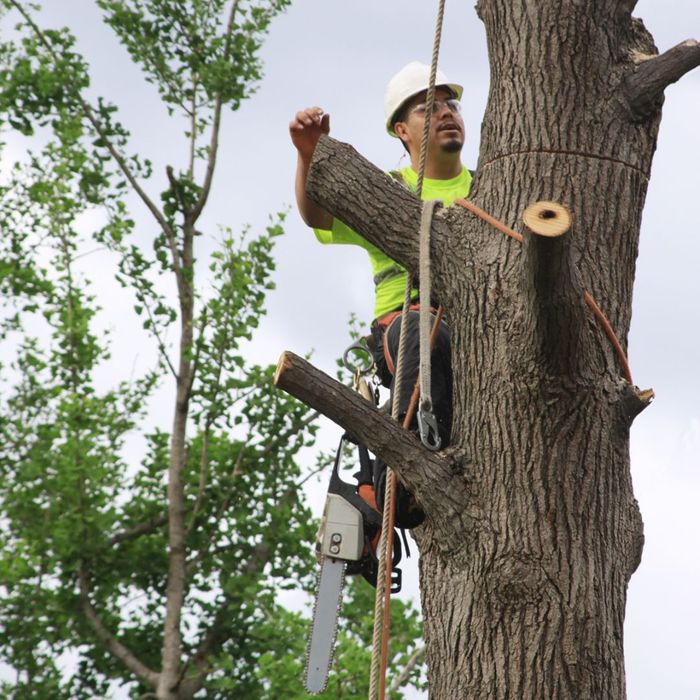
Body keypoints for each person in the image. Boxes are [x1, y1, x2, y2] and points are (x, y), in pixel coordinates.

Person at [290, 61, 472, 505]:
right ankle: (414, 469)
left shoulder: (490, 190)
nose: (447, 112)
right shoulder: (389, 191)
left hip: (478, 334)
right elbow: (318, 214)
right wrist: (308, 156)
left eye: (451, 105)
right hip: (409, 328)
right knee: (423, 332)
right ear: (401, 131)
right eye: (428, 109)